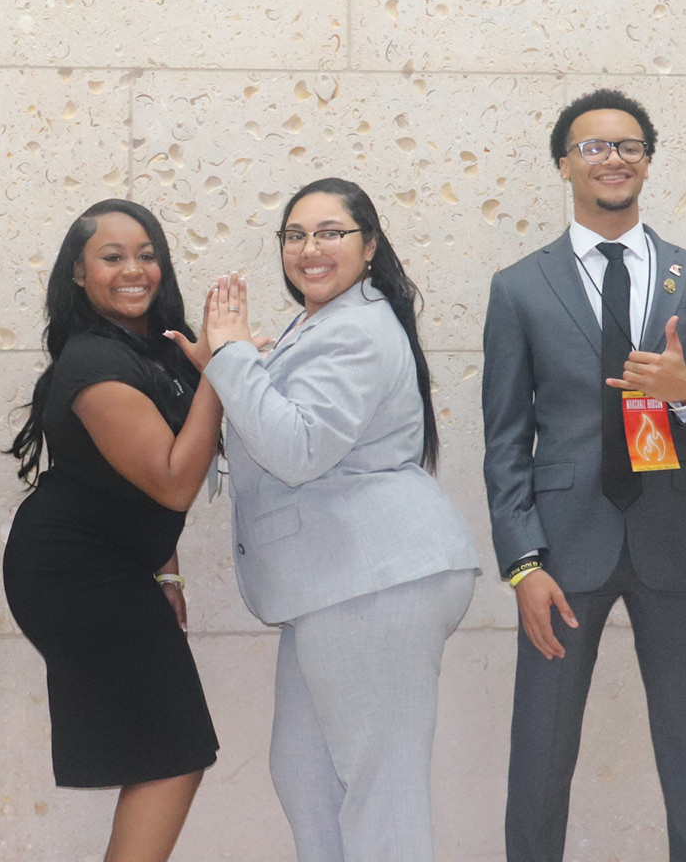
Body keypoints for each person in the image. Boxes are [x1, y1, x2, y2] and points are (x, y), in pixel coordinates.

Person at [481, 88, 686, 862]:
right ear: (564, 165)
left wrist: (685, 390)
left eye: (629, 146)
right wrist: (522, 563)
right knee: (540, 760)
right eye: (594, 146)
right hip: (562, 554)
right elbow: (505, 440)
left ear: (648, 162)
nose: (613, 159)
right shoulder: (520, 287)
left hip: (680, 543)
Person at [194, 176, 480, 862]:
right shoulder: (321, 323)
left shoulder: (355, 328)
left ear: (370, 244)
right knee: (305, 778)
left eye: (330, 233)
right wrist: (236, 366)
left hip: (376, 578)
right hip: (334, 583)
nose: (309, 249)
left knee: (381, 794)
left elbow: (298, 450)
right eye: (295, 235)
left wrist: (233, 355)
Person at [3, 200, 223, 862]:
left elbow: (136, 486)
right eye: (112, 256)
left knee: (170, 751)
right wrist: (221, 374)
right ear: (78, 273)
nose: (134, 269)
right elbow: (173, 480)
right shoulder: (95, 363)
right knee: (175, 752)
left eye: (147, 255)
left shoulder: (156, 348)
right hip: (74, 574)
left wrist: (168, 574)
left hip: (113, 567)